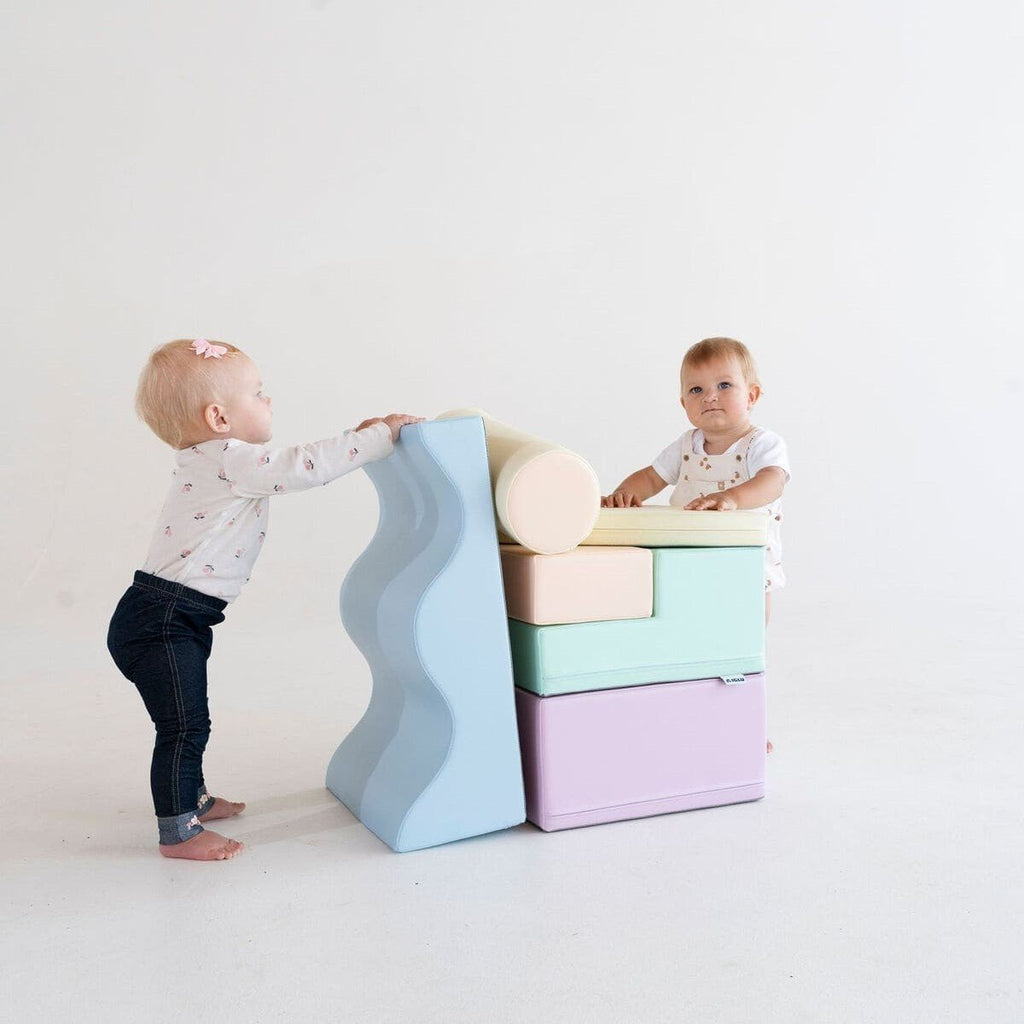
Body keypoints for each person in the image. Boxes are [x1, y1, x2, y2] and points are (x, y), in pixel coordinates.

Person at [107, 338, 422, 861]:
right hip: (162, 620)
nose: (268, 401)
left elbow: (296, 462)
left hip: (169, 614)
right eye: (258, 393)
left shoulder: (215, 459)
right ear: (218, 417)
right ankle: (178, 830)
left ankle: (194, 798)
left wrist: (363, 436)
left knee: (187, 715)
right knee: (184, 723)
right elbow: (303, 467)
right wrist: (375, 438)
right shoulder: (230, 458)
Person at [600, 337, 790, 751]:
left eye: (725, 386)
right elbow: (650, 477)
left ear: (752, 395)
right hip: (689, 566)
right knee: (687, 644)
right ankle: (688, 716)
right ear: (683, 403)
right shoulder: (685, 447)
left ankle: (747, 726)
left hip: (744, 570)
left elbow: (772, 480)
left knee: (740, 649)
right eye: (697, 390)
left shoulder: (761, 445)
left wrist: (733, 498)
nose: (710, 398)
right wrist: (623, 494)